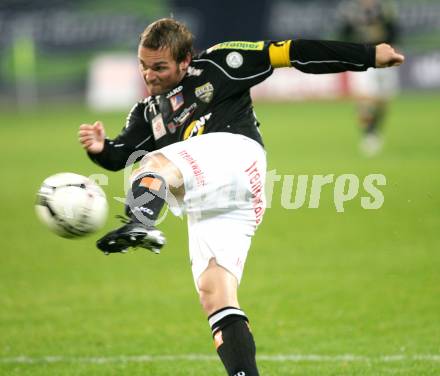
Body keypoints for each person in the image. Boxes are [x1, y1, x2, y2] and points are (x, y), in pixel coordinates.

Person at [78, 18, 404, 376]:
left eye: (160, 67)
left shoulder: (221, 63)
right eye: (143, 65)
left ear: (186, 60)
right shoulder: (148, 112)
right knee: (214, 293)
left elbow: (293, 52)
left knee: (154, 165)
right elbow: (119, 154)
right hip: (214, 200)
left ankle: (141, 222)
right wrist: (100, 149)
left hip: (236, 156)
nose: (149, 75)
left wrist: (368, 55)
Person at [338, 0, 400, 156]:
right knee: (365, 98)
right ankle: (368, 134)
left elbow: (395, 30)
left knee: (383, 100)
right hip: (362, 58)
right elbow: (344, 34)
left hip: (384, 58)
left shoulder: (384, 9)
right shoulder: (351, 10)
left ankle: (375, 131)